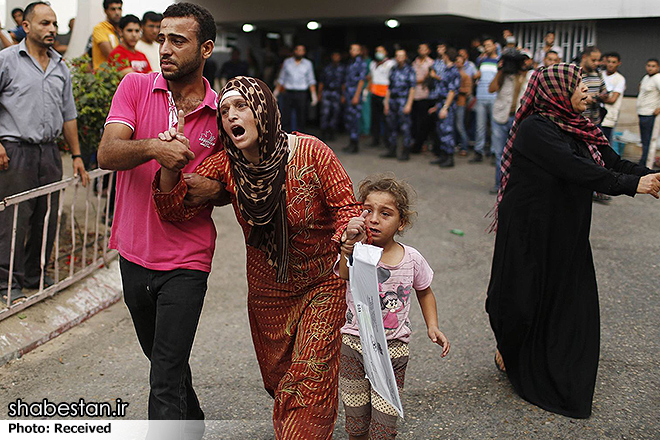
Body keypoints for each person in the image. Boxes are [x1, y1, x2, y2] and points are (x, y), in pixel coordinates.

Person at [153, 76, 363, 439]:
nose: (231, 115)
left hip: (322, 283)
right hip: (268, 293)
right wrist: (170, 163)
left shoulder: (310, 152)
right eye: (224, 110)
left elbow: (346, 205)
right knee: (280, 379)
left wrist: (350, 230)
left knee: (309, 377)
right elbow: (175, 208)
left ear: (263, 110)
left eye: (241, 106)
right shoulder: (227, 166)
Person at [486, 63, 660, 419]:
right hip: (529, 233)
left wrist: (649, 176)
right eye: (579, 84)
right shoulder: (535, 129)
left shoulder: (581, 127)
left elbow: (611, 162)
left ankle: (561, 376)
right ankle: (509, 345)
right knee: (518, 303)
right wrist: (631, 186)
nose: (586, 90)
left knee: (570, 307)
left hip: (567, 234)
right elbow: (577, 170)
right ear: (556, 90)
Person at [96, 3, 220, 436]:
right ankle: (195, 424)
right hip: (133, 253)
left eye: (177, 41)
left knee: (164, 374)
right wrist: (155, 148)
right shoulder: (134, 86)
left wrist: (216, 190)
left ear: (205, 48)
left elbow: (232, 182)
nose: (164, 48)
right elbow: (108, 153)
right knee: (164, 359)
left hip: (188, 260)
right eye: (162, 38)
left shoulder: (221, 111)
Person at [336, 174, 450, 440]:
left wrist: (433, 326)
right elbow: (343, 274)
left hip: (393, 349)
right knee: (355, 421)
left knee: (384, 424)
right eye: (367, 211)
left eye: (385, 213)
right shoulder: (358, 251)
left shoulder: (411, 259)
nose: (373, 219)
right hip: (354, 344)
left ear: (402, 222)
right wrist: (347, 246)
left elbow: (425, 292)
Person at [0, 2, 89, 304]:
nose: (52, 29)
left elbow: (69, 115)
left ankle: (34, 275)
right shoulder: (7, 61)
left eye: (54, 23)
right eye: (44, 24)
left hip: (50, 152)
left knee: (46, 217)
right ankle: (7, 283)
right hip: (15, 152)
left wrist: (76, 156)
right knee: (14, 220)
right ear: (26, 27)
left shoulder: (60, 66)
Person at [487, 49, 533, 193]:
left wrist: (522, 71)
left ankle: (515, 185)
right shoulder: (504, 74)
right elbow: (491, 89)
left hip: (518, 119)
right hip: (500, 116)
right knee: (500, 154)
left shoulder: (528, 75)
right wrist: (501, 70)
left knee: (517, 154)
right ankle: (499, 185)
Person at [274, 44, 317, 133]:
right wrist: (275, 93)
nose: (300, 52)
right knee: (286, 116)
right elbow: (282, 78)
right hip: (289, 92)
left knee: (301, 116)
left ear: (304, 52)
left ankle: (300, 136)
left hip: (301, 93)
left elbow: (311, 80)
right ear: (295, 51)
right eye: (298, 50)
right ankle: (286, 137)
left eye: (302, 50)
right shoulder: (287, 62)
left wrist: (314, 95)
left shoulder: (308, 64)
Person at [429, 48, 460, 168]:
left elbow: (452, 92)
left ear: (447, 56)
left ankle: (449, 157)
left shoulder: (453, 71)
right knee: (441, 130)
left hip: (448, 105)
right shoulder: (446, 70)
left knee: (447, 131)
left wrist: (445, 108)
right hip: (441, 102)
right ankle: (443, 156)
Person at [382, 49, 415, 161]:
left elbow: (412, 88)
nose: (399, 58)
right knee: (392, 126)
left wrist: (409, 104)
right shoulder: (393, 69)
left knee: (405, 127)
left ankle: (406, 151)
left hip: (403, 101)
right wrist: (386, 103)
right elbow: (389, 87)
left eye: (401, 56)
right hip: (393, 101)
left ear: (405, 57)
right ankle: (392, 149)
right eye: (397, 56)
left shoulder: (410, 70)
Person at [471, 36, 499, 163]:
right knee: (480, 126)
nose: (487, 48)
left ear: (494, 46)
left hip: (494, 97)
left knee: (494, 127)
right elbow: (476, 76)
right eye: (485, 45)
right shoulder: (480, 60)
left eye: (489, 45)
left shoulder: (499, 60)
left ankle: (494, 152)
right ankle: (479, 151)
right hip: (481, 96)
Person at [343, 43, 368, 153]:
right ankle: (351, 142)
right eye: (351, 49)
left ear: (360, 51)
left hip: (355, 95)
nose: (353, 51)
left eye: (355, 50)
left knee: (355, 120)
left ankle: (355, 144)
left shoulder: (361, 63)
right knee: (350, 119)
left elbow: (361, 81)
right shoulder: (350, 63)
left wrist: (357, 95)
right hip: (349, 94)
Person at [368, 45, 395, 147]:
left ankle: (387, 141)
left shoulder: (390, 64)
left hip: (385, 95)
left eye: (381, 51)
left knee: (387, 119)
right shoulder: (373, 64)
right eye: (377, 51)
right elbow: (371, 78)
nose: (378, 53)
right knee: (375, 119)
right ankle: (375, 139)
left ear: (386, 52)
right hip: (374, 94)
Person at [410, 43, 435, 154]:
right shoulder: (414, 62)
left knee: (423, 122)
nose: (422, 50)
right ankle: (415, 142)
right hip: (413, 95)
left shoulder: (431, 63)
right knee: (414, 121)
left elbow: (428, 78)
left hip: (425, 95)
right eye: (420, 48)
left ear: (428, 50)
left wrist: (414, 81)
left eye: (425, 49)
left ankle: (422, 144)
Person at [636, 58, 660, 167]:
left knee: (649, 142)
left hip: (651, 114)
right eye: (649, 65)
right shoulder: (646, 78)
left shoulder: (657, 78)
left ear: (658, 67)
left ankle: (646, 165)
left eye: (653, 66)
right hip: (642, 112)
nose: (650, 68)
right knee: (644, 141)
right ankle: (643, 162)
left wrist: (659, 108)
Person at [318, 50, 346, 141]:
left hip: (337, 93)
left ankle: (332, 132)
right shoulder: (326, 68)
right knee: (325, 113)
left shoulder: (342, 69)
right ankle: (323, 132)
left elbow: (343, 83)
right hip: (327, 92)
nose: (335, 58)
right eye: (334, 56)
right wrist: (319, 94)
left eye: (337, 56)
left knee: (335, 113)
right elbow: (321, 82)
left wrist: (343, 95)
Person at [601, 52, 626, 143]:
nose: (610, 65)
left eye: (613, 62)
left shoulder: (620, 79)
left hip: (609, 117)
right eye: (609, 61)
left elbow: (612, 99)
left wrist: (598, 98)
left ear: (619, 63)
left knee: (606, 142)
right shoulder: (600, 75)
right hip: (595, 115)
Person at [580, 46, 608, 126]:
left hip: (594, 121)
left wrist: (604, 95)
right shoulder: (574, 72)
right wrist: (584, 97)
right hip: (578, 120)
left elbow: (603, 89)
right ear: (584, 57)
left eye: (598, 60)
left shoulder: (598, 73)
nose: (596, 63)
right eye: (593, 60)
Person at [92, 0, 122, 70]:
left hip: (119, 74)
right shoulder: (100, 28)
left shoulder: (121, 29)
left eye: (119, 9)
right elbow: (111, 55)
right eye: (113, 9)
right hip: (104, 76)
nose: (117, 13)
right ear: (105, 11)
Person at [455, 53, 474, 156]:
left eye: (459, 62)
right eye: (456, 61)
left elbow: (468, 91)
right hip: (453, 103)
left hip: (460, 103)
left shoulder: (465, 76)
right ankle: (457, 144)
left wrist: (456, 90)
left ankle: (465, 146)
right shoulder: (452, 74)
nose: (457, 63)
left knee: (460, 125)